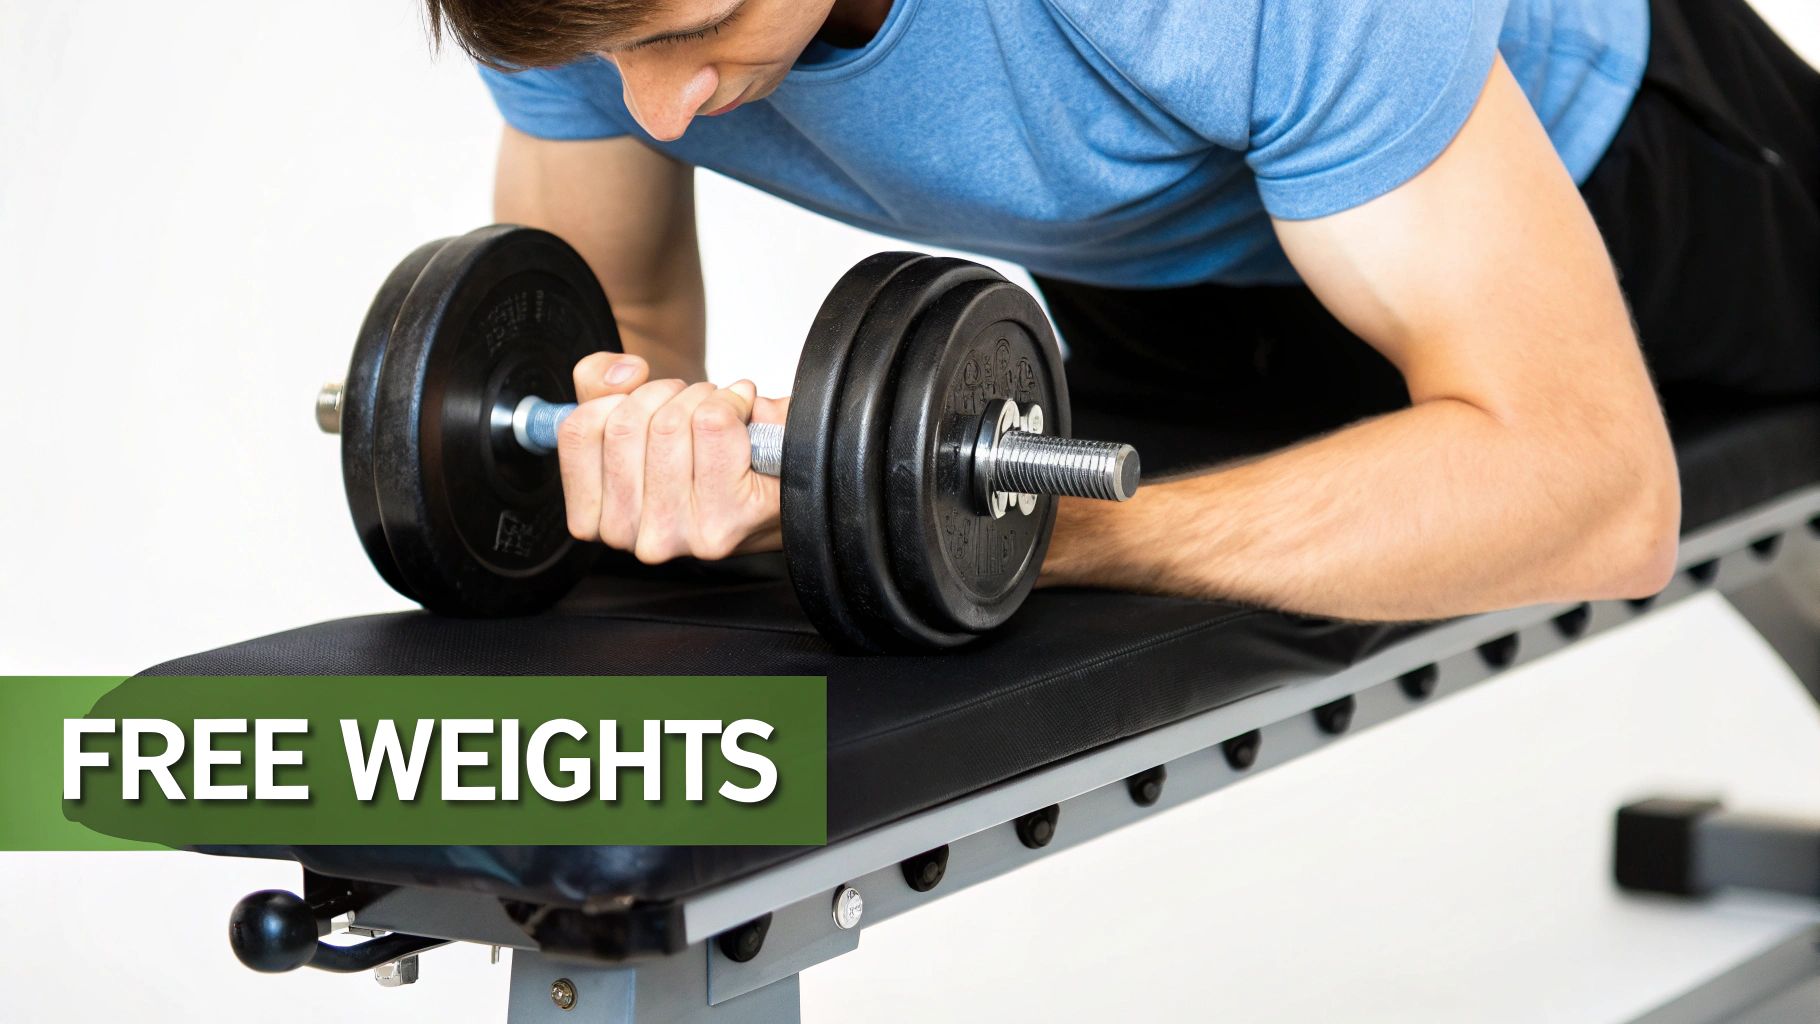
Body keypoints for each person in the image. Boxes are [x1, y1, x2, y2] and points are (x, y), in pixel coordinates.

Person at [425, 0, 1818, 621]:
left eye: (689, 32)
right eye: (610, 56)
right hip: (1156, 271)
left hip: (1609, 179)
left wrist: (1039, 531)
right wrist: (646, 457)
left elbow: (1595, 495)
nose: (656, 110)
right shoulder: (578, 20)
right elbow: (615, 336)